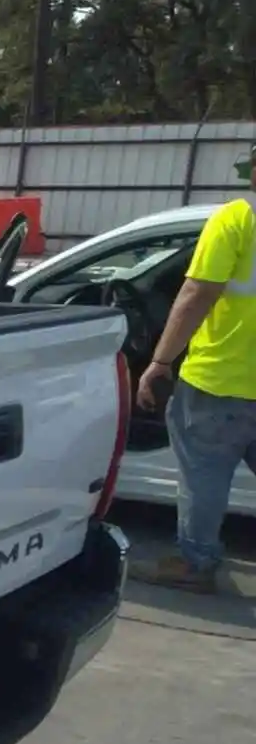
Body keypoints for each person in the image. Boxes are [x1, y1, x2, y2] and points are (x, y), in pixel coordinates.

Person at [130, 145, 256, 592]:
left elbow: (196, 293)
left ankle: (196, 563)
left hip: (219, 382)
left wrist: (159, 361)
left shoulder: (237, 219)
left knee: (204, 477)